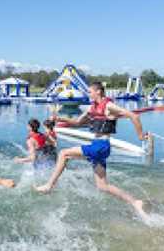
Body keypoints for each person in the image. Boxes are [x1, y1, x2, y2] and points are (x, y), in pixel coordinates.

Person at [35, 82, 149, 222]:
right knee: (102, 185)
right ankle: (135, 202)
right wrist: (60, 118)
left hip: (101, 145)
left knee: (64, 153)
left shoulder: (108, 106)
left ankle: (49, 185)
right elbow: (77, 122)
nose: (88, 94)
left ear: (99, 92)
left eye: (90, 92)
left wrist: (140, 136)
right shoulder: (91, 108)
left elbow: (134, 116)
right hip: (98, 145)